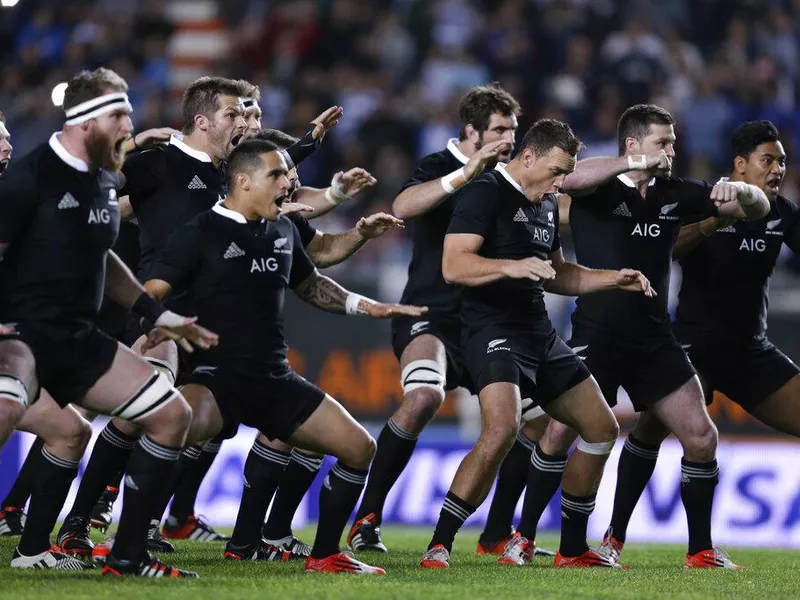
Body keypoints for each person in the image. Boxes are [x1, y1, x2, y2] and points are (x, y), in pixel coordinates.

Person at [143, 138, 424, 574]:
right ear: (243, 181)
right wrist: (157, 322)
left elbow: (311, 286)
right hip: (217, 376)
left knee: (359, 448)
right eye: (276, 175)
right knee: (164, 428)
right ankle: (129, 538)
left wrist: (367, 306)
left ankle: (326, 555)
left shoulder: (284, 229)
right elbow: (152, 293)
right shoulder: (199, 231)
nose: (287, 183)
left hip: (273, 378)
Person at [510, 104, 769, 569]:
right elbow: (568, 180)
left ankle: (700, 550)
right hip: (597, 334)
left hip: (654, 339)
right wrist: (632, 166)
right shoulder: (597, 187)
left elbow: (760, 208)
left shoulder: (676, 192)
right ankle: (522, 537)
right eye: (662, 142)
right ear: (632, 146)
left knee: (701, 436)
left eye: (673, 142)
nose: (673, 150)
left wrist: (743, 192)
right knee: (558, 433)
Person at [0, 67, 218, 577]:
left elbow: (102, 257)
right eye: (120, 115)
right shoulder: (26, 181)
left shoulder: (102, 179)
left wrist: (153, 312)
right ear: (83, 121)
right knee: (6, 410)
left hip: (76, 339)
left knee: (168, 416)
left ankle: (116, 557)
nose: (130, 126)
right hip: (24, 337)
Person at [419, 118, 656, 569]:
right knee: (503, 429)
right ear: (527, 157)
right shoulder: (483, 193)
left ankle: (570, 549)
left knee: (602, 428)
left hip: (539, 334)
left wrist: (611, 278)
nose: (560, 182)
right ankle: (440, 542)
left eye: (565, 173)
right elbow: (453, 265)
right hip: (492, 330)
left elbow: (557, 272)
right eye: (555, 171)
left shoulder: (546, 202)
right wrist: (510, 266)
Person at [597, 119, 800, 564]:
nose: (778, 169)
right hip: (691, 348)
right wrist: (711, 220)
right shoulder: (701, 200)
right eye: (768, 160)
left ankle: (700, 551)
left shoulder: (782, 212)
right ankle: (613, 538)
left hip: (751, 351)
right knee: (650, 430)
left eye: (782, 161)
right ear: (740, 166)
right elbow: (661, 250)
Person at [348, 83, 526, 553]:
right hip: (429, 313)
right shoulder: (438, 165)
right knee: (424, 395)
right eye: (501, 130)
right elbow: (401, 207)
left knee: (533, 418)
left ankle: (497, 533)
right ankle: (367, 517)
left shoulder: (512, 178)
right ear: (471, 131)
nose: (510, 139)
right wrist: (465, 174)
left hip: (488, 322)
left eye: (514, 130)